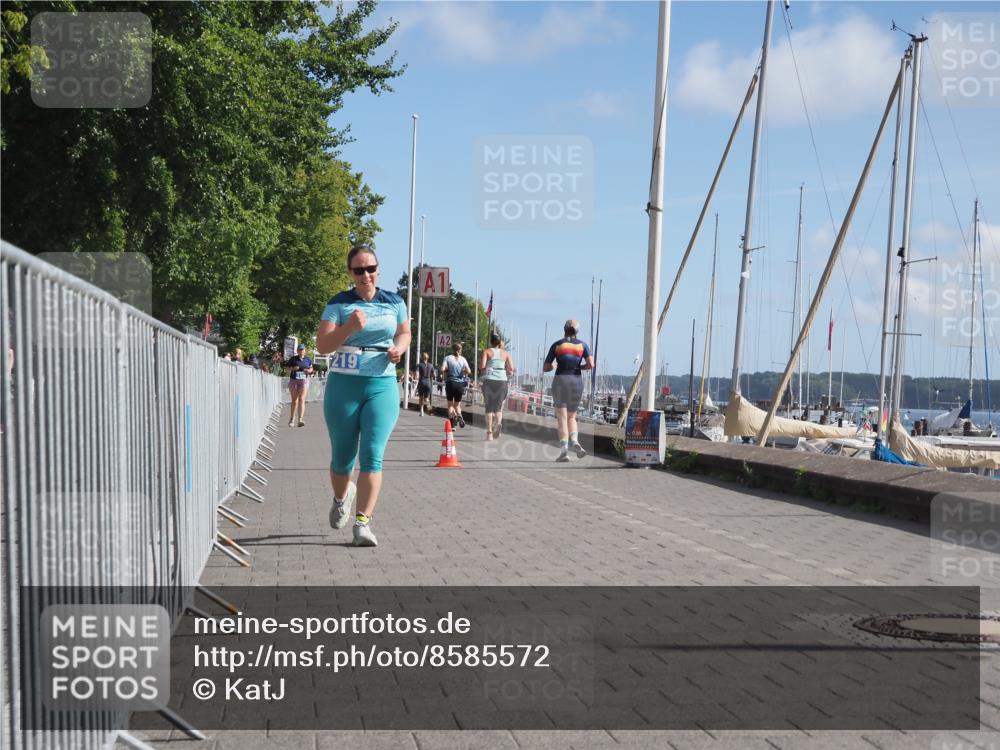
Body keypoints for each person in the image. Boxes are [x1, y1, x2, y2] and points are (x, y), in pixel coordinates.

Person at [315, 244, 410, 547]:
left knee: (373, 453)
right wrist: (348, 327)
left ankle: (362, 523)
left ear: (378, 270)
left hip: (381, 384)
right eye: (359, 270)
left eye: (370, 269)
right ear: (350, 273)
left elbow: (404, 332)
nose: (366, 275)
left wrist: (399, 349)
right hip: (345, 385)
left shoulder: (394, 301)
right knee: (343, 460)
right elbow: (323, 345)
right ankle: (342, 496)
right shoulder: (338, 304)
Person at [543, 319, 594, 462]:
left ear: (564, 329)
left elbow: (546, 367)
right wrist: (580, 368)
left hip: (560, 380)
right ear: (577, 331)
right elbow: (591, 364)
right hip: (576, 382)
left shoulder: (557, 344)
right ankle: (575, 441)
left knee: (562, 419)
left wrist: (553, 365)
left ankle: (564, 451)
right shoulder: (583, 345)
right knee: (572, 417)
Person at [479, 333, 514, 440]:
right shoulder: (505, 353)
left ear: (491, 341)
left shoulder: (487, 351)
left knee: (489, 408)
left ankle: (489, 433)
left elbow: (482, 367)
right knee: (498, 408)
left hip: (490, 380)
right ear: (499, 343)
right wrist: (505, 370)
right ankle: (498, 423)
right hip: (502, 381)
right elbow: (511, 369)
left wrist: (489, 367)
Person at [441, 342, 471, 428]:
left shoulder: (447, 358)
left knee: (450, 405)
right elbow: (469, 371)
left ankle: (452, 425)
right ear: (460, 350)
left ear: (452, 349)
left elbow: (442, 368)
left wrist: (447, 370)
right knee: (457, 405)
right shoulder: (463, 359)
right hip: (460, 384)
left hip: (450, 383)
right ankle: (459, 415)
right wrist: (462, 371)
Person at [286, 343, 313, 427]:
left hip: (304, 380)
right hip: (294, 380)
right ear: (297, 351)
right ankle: (292, 419)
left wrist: (309, 371)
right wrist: (293, 369)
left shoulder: (308, 359)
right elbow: (287, 369)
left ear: (305, 351)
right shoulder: (293, 359)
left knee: (301, 399)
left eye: (303, 350)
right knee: (294, 400)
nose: (301, 351)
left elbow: (311, 368)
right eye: (300, 350)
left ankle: (300, 419)